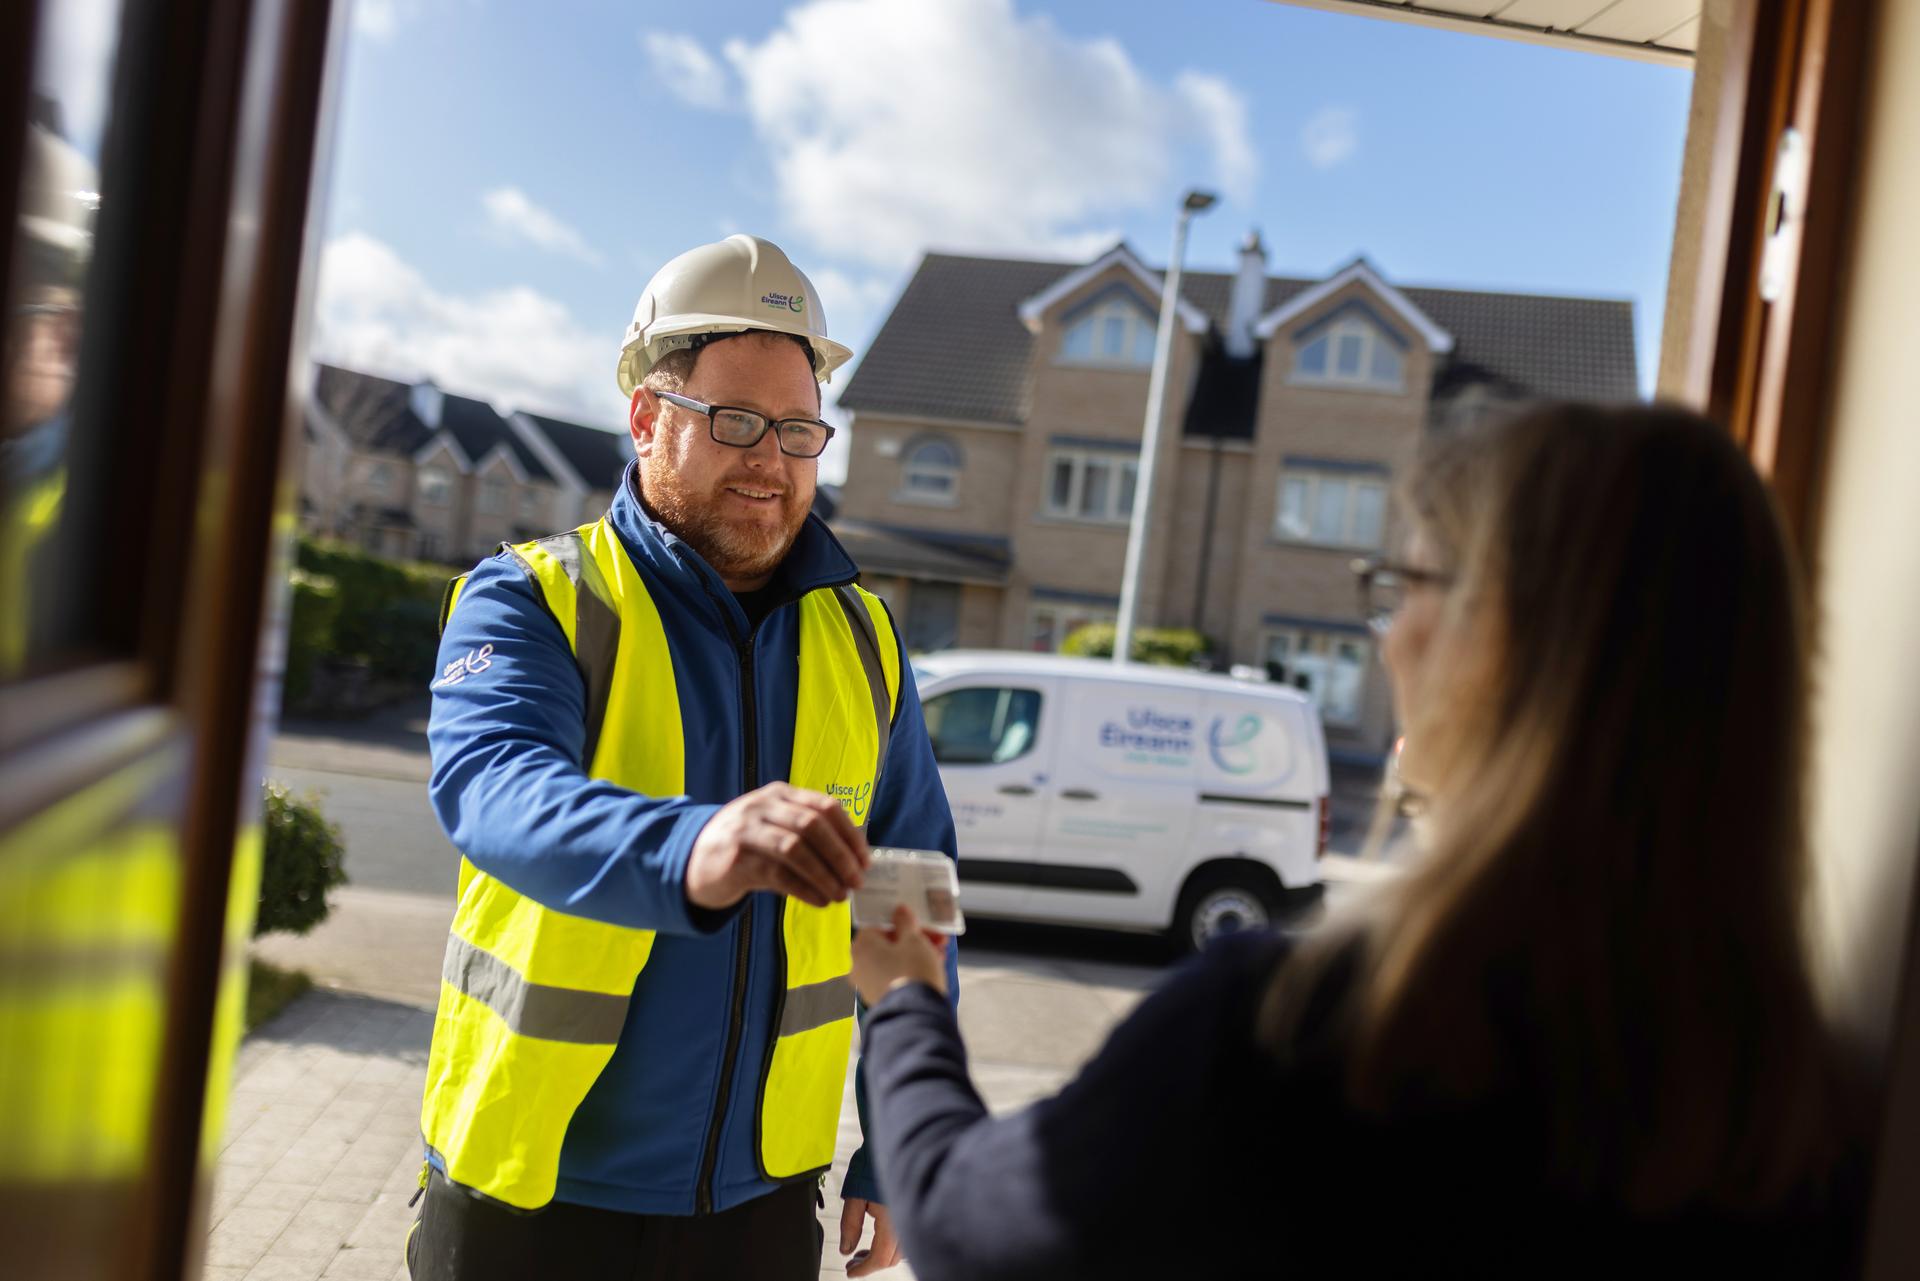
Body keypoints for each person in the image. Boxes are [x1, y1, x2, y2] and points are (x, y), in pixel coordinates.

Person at [850, 403, 1865, 1280]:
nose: (1388, 637)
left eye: (1404, 586)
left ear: (1501, 639)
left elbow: (966, 1226)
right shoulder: (1801, 1106)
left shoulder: (1303, 1031)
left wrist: (904, 999)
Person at [409, 234, 959, 1280]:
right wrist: (696, 845)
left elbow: (909, 896)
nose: (773, 459)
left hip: (754, 1206)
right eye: (739, 422)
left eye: (801, 431)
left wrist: (902, 1142)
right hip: (529, 1190)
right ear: (648, 419)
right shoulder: (536, 599)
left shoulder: (865, 642)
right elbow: (494, 789)